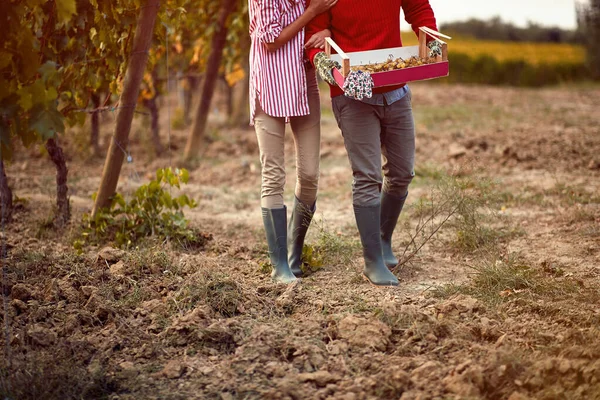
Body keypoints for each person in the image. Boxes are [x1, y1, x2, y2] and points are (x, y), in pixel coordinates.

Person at [305, 0, 438, 287]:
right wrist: (329, 67)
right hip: (352, 96)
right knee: (368, 177)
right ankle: (373, 261)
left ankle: (382, 239)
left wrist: (431, 37)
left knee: (402, 173)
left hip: (395, 89)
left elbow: (418, 9)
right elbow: (313, 40)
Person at [249, 0, 337, 284]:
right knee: (274, 174)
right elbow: (271, 40)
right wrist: (312, 13)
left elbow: (329, 17)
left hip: (303, 81)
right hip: (270, 81)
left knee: (310, 174)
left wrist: (327, 31)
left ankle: (294, 252)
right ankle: (279, 267)